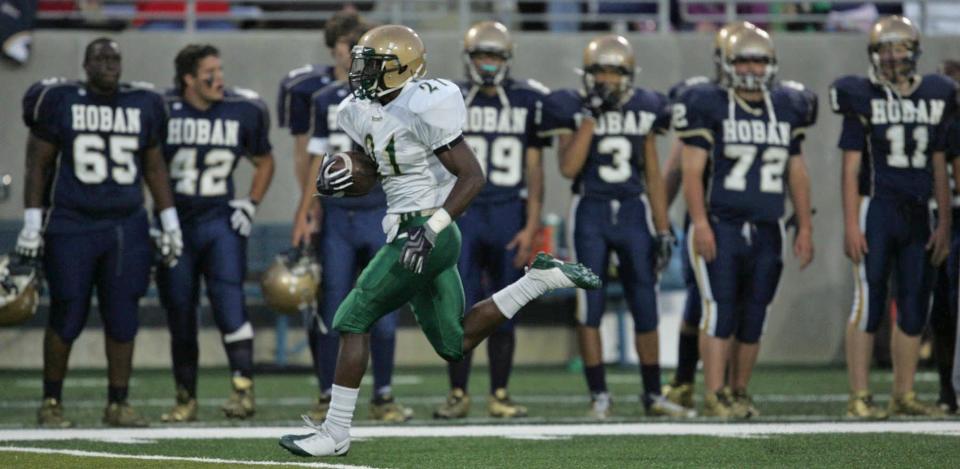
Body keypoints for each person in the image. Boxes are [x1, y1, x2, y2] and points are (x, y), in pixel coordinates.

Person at [279, 24, 600, 457]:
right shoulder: (356, 109)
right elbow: (371, 167)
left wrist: (429, 232)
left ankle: (335, 432)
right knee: (454, 344)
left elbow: (472, 176)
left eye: (373, 64)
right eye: (362, 62)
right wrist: (343, 176)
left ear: (401, 69)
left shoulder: (424, 104)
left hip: (427, 229)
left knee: (351, 319)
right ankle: (539, 280)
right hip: (414, 228)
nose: (361, 71)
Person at [18, 37, 182, 427]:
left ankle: (118, 403)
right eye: (101, 58)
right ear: (85, 63)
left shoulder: (143, 103)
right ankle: (51, 401)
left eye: (115, 58)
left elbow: (155, 168)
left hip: (127, 225)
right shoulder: (59, 99)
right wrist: (31, 222)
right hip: (72, 222)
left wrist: (169, 220)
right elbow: (38, 165)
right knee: (67, 312)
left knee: (123, 315)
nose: (109, 64)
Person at [540, 34, 685, 419]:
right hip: (590, 209)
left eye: (615, 71)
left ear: (629, 75)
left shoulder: (648, 106)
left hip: (635, 212)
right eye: (599, 71)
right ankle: (599, 395)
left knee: (645, 302)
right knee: (590, 304)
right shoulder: (570, 106)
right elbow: (569, 167)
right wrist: (591, 118)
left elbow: (653, 172)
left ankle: (653, 394)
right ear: (587, 74)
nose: (606, 79)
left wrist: (663, 225)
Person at [677, 26, 816, 417]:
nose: (752, 68)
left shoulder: (787, 106)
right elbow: (691, 172)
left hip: (767, 226)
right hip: (721, 223)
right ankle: (715, 391)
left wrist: (804, 225)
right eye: (743, 60)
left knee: (755, 314)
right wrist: (700, 223)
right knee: (718, 311)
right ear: (726, 63)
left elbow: (797, 171)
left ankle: (739, 390)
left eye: (759, 60)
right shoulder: (708, 103)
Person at [831, 15, 954, 418]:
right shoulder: (860, 95)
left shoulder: (937, 94)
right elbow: (850, 167)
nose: (892, 56)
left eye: (900, 47)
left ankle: (903, 393)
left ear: (915, 51)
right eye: (885, 48)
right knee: (868, 304)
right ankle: (860, 395)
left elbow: (940, 165)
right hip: (877, 209)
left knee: (915, 303)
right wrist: (851, 223)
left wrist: (945, 222)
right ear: (873, 53)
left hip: (920, 211)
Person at [289, 23, 413, 423]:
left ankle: (384, 394)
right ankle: (328, 393)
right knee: (334, 305)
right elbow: (316, 162)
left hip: (380, 210)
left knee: (385, 304)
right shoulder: (326, 98)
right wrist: (307, 209)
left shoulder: (397, 97)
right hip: (339, 213)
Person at [430, 20, 548, 420]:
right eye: (481, 54)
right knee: (455, 306)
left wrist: (531, 225)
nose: (487, 62)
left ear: (507, 58)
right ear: (468, 57)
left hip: (507, 213)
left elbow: (535, 169)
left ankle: (500, 391)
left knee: (505, 304)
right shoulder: (450, 98)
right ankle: (458, 392)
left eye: (494, 55)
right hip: (463, 212)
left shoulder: (528, 99)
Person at [156, 44, 275, 422]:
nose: (219, 79)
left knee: (230, 306)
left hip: (220, 223)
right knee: (180, 313)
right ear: (188, 79)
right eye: (210, 73)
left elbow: (264, 159)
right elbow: (149, 164)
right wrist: (158, 216)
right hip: (176, 224)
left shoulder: (244, 109)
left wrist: (250, 202)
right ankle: (185, 397)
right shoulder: (162, 109)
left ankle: (243, 392)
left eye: (220, 70)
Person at [661, 20, 757, 412]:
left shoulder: (770, 103)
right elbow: (677, 165)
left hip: (752, 214)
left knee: (735, 305)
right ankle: (686, 379)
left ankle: (730, 385)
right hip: (710, 217)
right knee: (704, 304)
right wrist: (662, 218)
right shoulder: (700, 98)